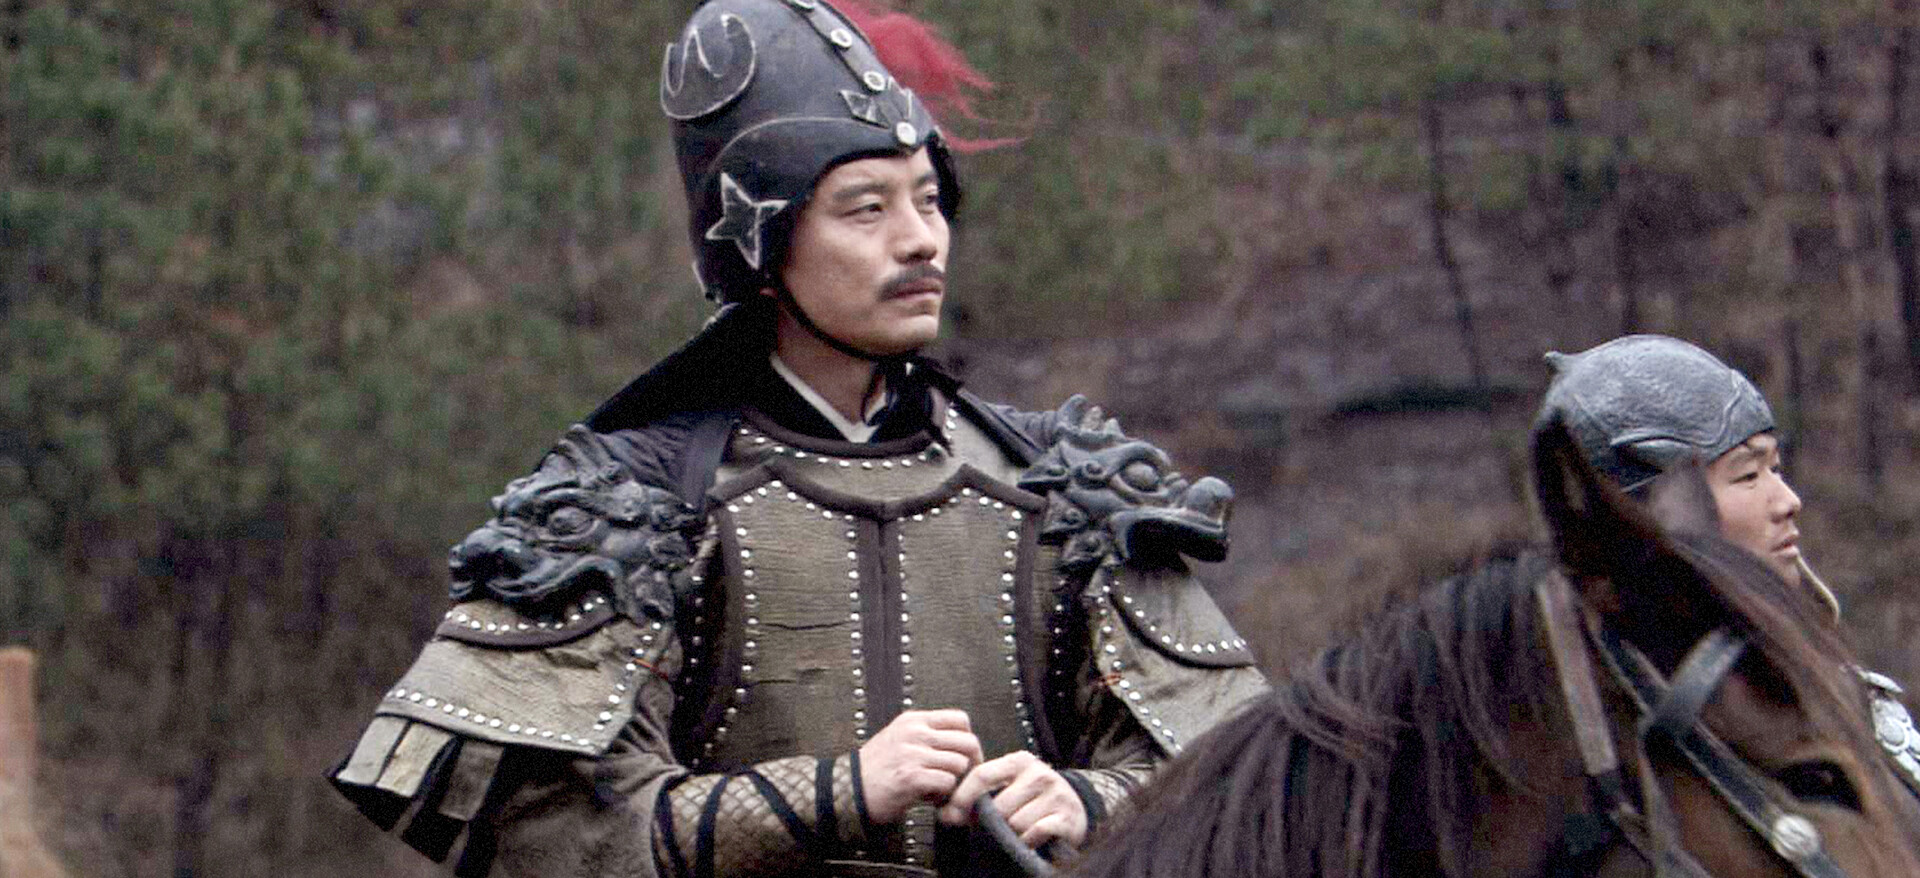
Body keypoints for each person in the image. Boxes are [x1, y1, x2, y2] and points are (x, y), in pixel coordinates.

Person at [328, 2, 1268, 876]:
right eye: (867, 208)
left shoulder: (1067, 492)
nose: (921, 240)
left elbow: (1241, 779)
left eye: (929, 199)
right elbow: (557, 834)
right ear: (764, 244)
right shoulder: (629, 505)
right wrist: (837, 792)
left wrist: (1091, 801)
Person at [1537, 333, 1920, 791]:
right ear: (1654, 518)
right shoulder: (1578, 752)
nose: (1788, 501)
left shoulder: (1841, 704)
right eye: (1748, 474)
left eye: (1775, 469)